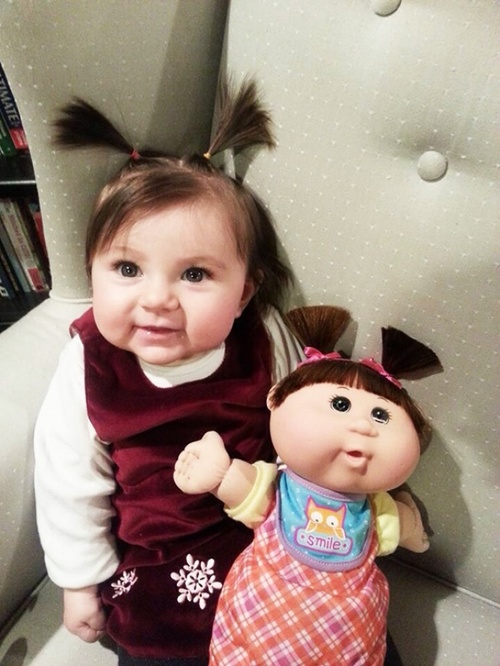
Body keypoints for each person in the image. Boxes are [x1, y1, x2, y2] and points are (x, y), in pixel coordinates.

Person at [34, 77, 304, 666]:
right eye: (128, 269)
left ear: (244, 292)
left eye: (195, 275)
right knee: (162, 641)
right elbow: (68, 480)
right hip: (157, 562)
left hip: (265, 533)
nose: (157, 299)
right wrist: (79, 581)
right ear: (92, 270)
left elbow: (304, 422)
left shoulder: (262, 336)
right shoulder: (90, 360)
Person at [174, 306, 442, 665]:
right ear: (276, 399)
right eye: (340, 404)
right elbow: (242, 487)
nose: (362, 426)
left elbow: (403, 527)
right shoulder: (277, 488)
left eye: (380, 415)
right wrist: (219, 474)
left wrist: (413, 526)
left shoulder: (376, 509)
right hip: (260, 627)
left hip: (349, 636)